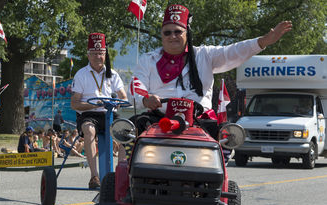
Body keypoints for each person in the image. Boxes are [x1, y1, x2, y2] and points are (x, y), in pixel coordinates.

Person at [131, 4, 292, 134]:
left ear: (187, 33)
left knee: (226, 138)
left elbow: (233, 52)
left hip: (199, 123)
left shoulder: (205, 55)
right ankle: (130, 174)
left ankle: (221, 175)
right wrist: (145, 99)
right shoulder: (148, 59)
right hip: (158, 121)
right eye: (167, 32)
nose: (172, 36)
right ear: (161, 35)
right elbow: (136, 85)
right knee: (128, 130)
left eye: (177, 31)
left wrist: (262, 41)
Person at [71, 33, 128, 188]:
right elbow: (75, 104)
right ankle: (94, 176)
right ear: (88, 55)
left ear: (105, 55)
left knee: (128, 131)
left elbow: (123, 97)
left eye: (101, 53)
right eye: (95, 53)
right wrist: (95, 104)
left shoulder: (113, 74)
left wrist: (117, 102)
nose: (98, 57)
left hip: (110, 112)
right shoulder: (81, 74)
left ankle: (121, 175)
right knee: (88, 130)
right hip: (89, 114)